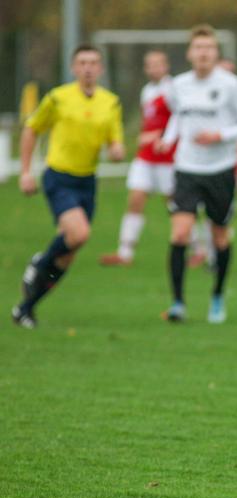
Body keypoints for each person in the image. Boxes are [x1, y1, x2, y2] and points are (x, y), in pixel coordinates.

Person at [13, 44, 125, 328]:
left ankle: (26, 308)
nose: (88, 68)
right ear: (74, 68)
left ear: (100, 69)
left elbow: (115, 140)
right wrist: (26, 171)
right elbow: (32, 128)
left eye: (93, 63)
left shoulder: (110, 102)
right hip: (59, 177)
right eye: (82, 63)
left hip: (87, 182)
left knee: (68, 254)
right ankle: (39, 263)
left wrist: (117, 150)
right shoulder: (58, 98)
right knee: (79, 234)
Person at [157, 24, 237, 323]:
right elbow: (179, 115)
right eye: (198, 48)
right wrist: (169, 138)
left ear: (216, 53)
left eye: (209, 48)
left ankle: (217, 296)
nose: (203, 53)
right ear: (190, 53)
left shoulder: (231, 85)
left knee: (220, 238)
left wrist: (220, 134)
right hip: (187, 168)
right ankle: (178, 302)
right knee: (179, 233)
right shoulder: (178, 85)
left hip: (220, 170)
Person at [99, 50, 184, 266]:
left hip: (168, 158)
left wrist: (164, 138)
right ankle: (125, 253)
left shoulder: (173, 89)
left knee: (176, 205)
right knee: (135, 199)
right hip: (145, 157)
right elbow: (148, 122)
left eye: (158, 64)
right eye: (150, 65)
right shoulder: (147, 90)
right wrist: (145, 136)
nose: (154, 68)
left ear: (166, 67)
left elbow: (181, 119)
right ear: (146, 69)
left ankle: (199, 247)